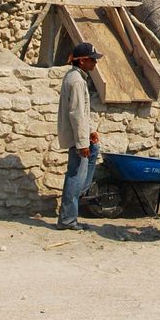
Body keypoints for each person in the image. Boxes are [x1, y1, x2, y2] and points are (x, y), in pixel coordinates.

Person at [56, 41, 102, 230]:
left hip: (80, 136)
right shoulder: (75, 81)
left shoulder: (76, 78)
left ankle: (71, 213)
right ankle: (67, 219)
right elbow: (76, 114)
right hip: (77, 138)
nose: (95, 64)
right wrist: (82, 142)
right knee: (75, 176)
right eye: (92, 60)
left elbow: (81, 113)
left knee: (80, 172)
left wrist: (89, 132)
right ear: (82, 61)